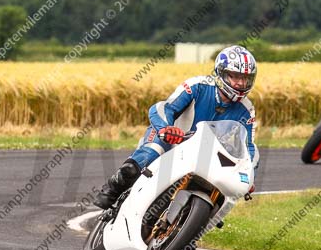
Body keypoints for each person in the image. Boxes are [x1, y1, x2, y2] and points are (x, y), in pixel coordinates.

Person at [93, 45, 259, 210]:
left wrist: (249, 178)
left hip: (202, 154)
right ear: (220, 73)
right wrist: (165, 129)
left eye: (246, 78)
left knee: (218, 192)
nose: (240, 83)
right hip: (170, 138)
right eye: (235, 76)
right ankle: (111, 190)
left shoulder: (247, 109)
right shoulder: (197, 85)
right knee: (148, 156)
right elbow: (163, 108)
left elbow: (248, 147)